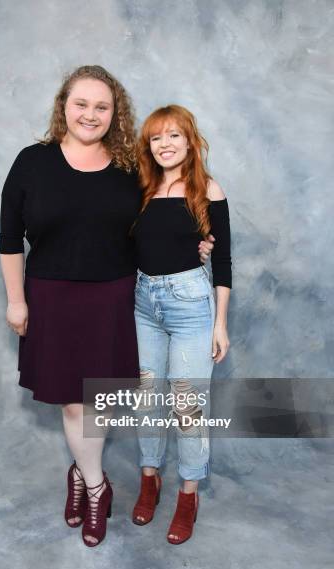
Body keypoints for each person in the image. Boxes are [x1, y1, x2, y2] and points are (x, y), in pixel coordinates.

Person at [0, 66, 215, 548]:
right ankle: (98, 487)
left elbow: (171, 208)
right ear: (64, 107)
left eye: (102, 106)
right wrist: (16, 301)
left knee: (98, 404)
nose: (90, 114)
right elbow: (10, 239)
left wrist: (198, 245)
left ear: (115, 114)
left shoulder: (129, 169)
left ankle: (80, 476)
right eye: (81, 104)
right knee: (74, 405)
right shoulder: (32, 162)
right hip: (51, 297)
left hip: (115, 298)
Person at [131, 104, 232, 544]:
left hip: (190, 304)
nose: (165, 144)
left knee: (187, 405)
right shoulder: (141, 189)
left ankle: (189, 493)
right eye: (156, 138)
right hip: (143, 304)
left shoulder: (207, 189)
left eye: (174, 136)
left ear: (190, 141)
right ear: (148, 146)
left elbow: (223, 261)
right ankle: (149, 478)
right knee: (146, 397)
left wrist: (220, 324)